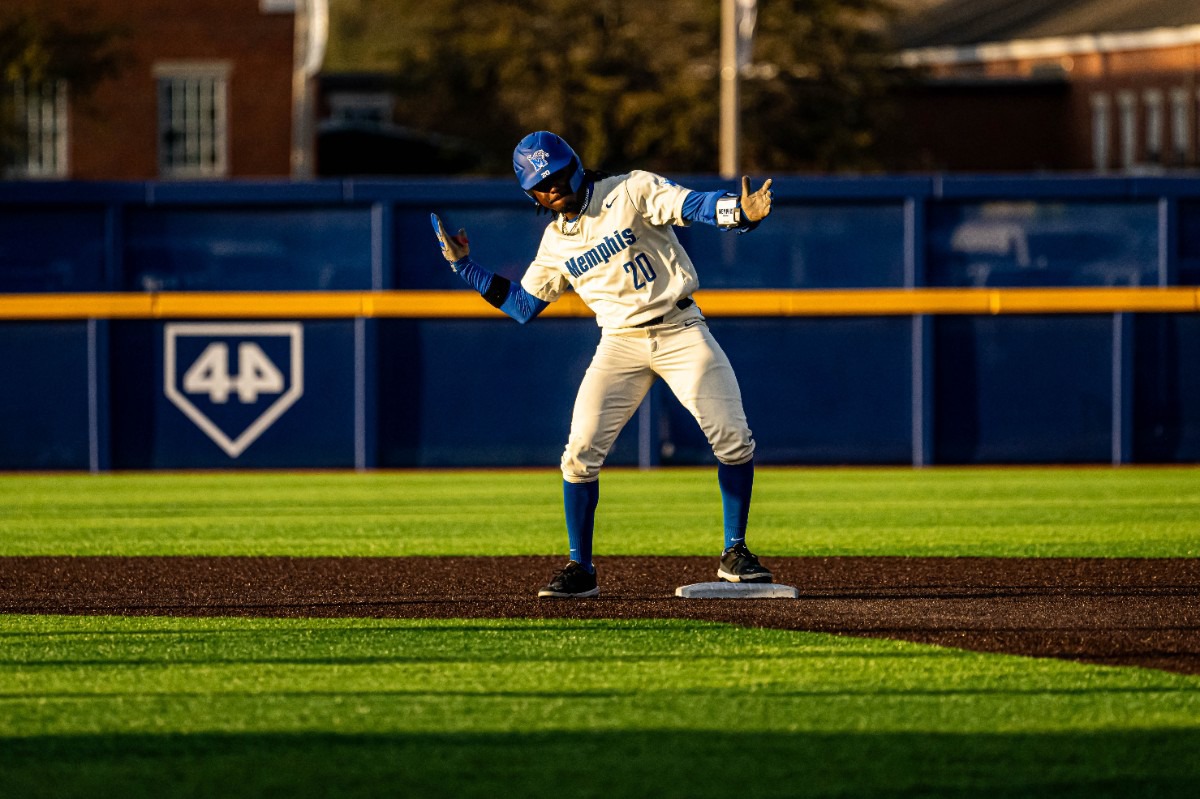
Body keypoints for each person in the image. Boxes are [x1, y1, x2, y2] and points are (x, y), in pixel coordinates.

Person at [432, 130, 773, 598]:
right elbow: (522, 305)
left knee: (733, 437)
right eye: (540, 184)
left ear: (574, 166)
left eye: (555, 175)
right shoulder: (555, 243)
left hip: (680, 328)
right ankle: (581, 567)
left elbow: (690, 204)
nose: (552, 188)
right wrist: (464, 268)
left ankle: (735, 551)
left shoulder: (628, 190)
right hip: (619, 343)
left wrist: (737, 212)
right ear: (530, 193)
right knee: (579, 453)